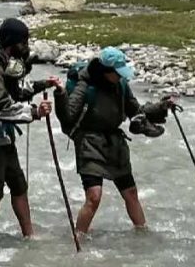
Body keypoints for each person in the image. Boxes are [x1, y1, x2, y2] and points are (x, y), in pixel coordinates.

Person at [52, 47, 174, 239]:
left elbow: (137, 111)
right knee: (94, 197)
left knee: (131, 192)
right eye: (118, 73)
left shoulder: (121, 85)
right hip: (89, 143)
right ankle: (78, 239)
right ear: (106, 71)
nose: (121, 77)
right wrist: (59, 95)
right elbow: (67, 116)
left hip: (115, 145)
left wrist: (161, 106)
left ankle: (143, 236)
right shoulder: (85, 85)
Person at [0, 18, 54, 238]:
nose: (26, 47)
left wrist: (44, 84)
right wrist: (35, 113)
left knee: (19, 187)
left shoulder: (4, 62)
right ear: (12, 42)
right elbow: (2, 106)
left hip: (4, 138)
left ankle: (29, 236)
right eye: (23, 42)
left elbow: (16, 92)